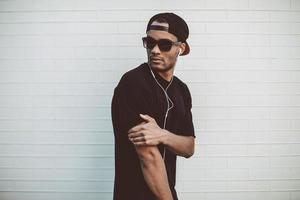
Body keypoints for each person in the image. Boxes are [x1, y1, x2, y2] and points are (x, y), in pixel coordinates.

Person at [111, 12, 195, 200]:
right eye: (150, 42)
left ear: (180, 48)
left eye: (164, 44)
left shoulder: (182, 90)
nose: (155, 50)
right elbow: (148, 157)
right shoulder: (133, 83)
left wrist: (163, 135)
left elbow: (189, 147)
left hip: (166, 192)